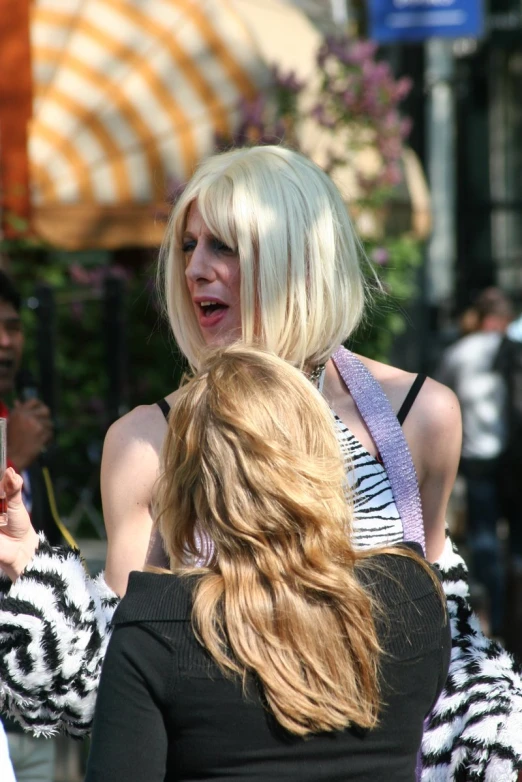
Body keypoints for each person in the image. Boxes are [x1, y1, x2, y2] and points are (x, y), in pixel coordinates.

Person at [0, 145, 521, 781]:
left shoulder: (421, 413)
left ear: (298, 259)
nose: (195, 269)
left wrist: (495, 735)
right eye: (188, 246)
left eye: (224, 246)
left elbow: (451, 643)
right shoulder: (147, 440)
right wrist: (33, 573)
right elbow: (118, 680)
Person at [80, 344, 451, 782]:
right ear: (321, 459)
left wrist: (167, 534)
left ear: (190, 481)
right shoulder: (414, 591)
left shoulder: (158, 628)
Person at [0, 269, 57, 782]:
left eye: (13, 326)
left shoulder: (18, 416)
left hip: (32, 699)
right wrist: (12, 456)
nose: (4, 342)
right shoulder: (16, 435)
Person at [436, 287, 513, 637]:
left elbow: (439, 396)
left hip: (476, 456)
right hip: (514, 454)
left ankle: (492, 616)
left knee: (483, 535)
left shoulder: (459, 353)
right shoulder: (514, 348)